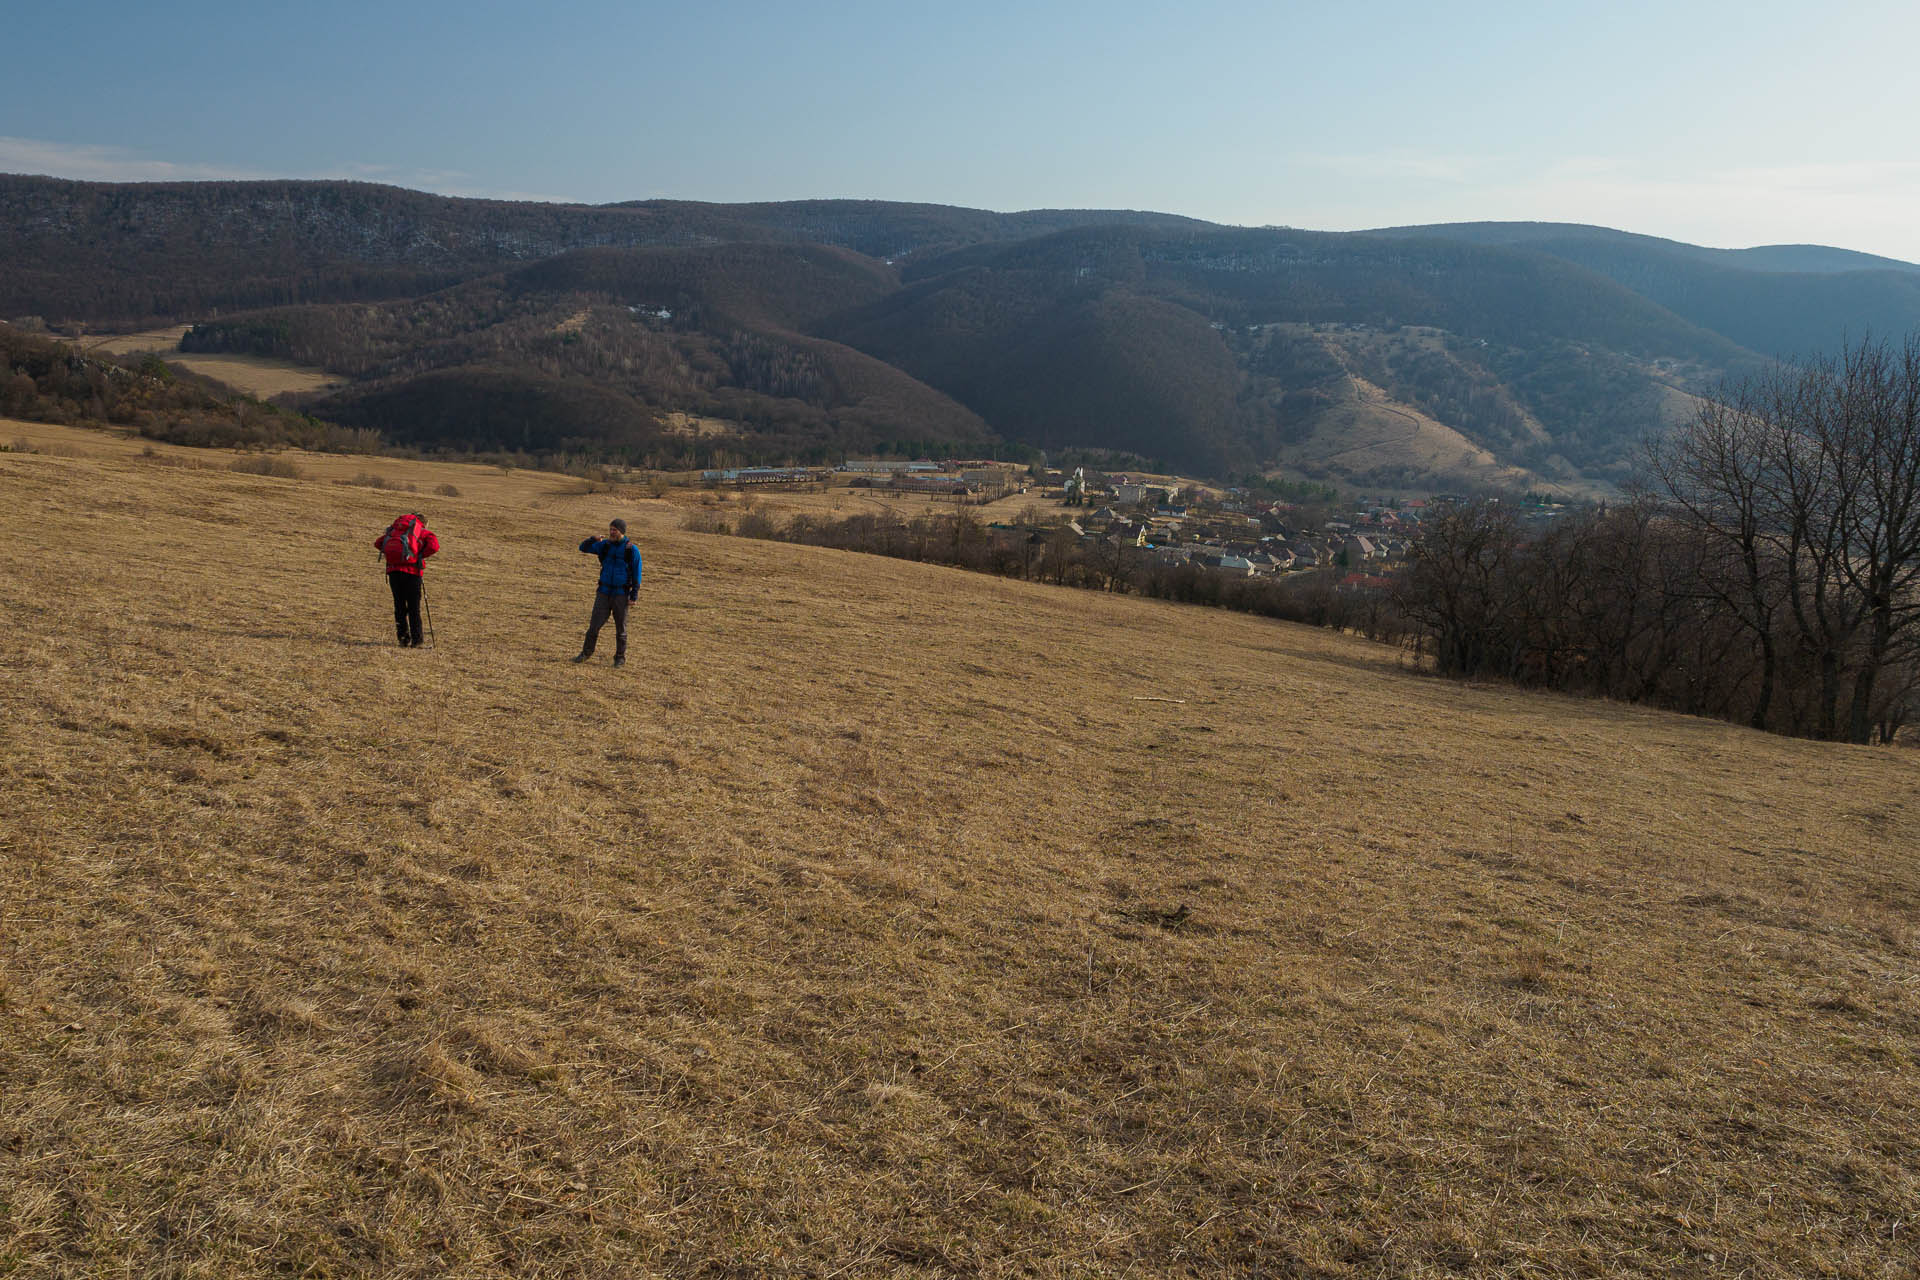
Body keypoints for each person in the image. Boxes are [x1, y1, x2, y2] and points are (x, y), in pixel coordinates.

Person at [573, 518, 642, 667]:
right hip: (603, 593)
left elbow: (637, 573)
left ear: (621, 531)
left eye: (614, 530)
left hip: (621, 595)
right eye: (610, 529)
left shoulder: (631, 550)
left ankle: (619, 658)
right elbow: (583, 548)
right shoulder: (604, 545)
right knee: (593, 627)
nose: (611, 532)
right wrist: (592, 539)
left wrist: (633, 595)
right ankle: (586, 653)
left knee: (621, 630)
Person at [374, 512, 439, 647]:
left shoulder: (395, 530)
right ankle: (417, 640)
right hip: (412, 572)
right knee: (414, 607)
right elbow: (434, 546)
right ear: (424, 523)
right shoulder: (421, 531)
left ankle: (403, 639)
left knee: (399, 606)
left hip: (393, 571)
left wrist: (392, 555)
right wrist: (419, 556)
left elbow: (378, 543)